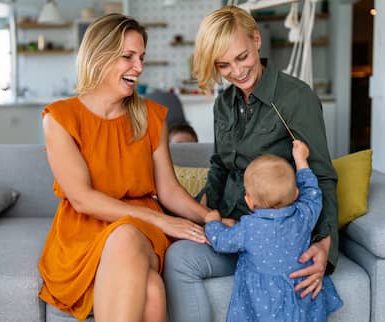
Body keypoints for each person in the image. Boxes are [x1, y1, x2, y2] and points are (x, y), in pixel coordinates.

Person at [164, 6, 339, 322]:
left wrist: (325, 248)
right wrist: (203, 215)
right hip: (231, 228)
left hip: (270, 239)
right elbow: (219, 166)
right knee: (169, 249)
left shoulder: (296, 98)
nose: (236, 71)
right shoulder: (224, 104)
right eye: (223, 65)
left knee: (179, 259)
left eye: (242, 57)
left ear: (256, 40)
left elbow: (322, 175)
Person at [38, 13, 210, 322]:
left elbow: (169, 190)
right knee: (153, 290)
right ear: (99, 56)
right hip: (83, 234)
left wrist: (209, 216)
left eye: (141, 57)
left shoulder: (151, 116)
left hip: (141, 233)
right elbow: (82, 199)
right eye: (128, 57)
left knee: (127, 236)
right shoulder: (60, 118)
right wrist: (164, 223)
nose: (139, 68)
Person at [205, 140, 343, 321]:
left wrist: (213, 222)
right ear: (295, 193)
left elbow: (221, 241)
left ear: (249, 201)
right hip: (301, 298)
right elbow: (312, 193)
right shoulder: (302, 216)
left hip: (264, 303)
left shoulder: (248, 227)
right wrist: (301, 160)